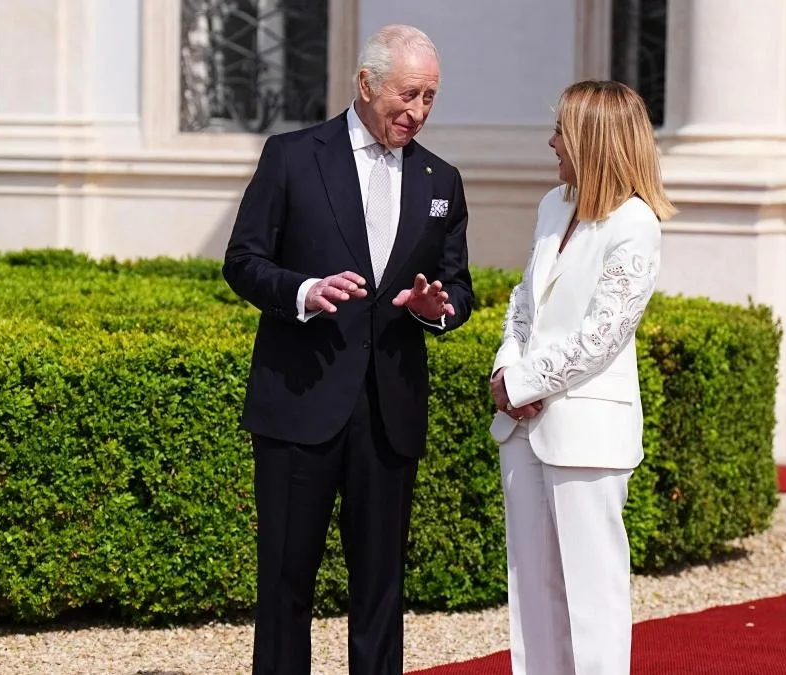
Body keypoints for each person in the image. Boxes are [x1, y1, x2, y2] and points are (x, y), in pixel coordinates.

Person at [222, 24, 475, 675]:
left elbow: (458, 289)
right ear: (366, 84)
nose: (418, 111)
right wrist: (304, 290)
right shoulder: (291, 156)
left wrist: (437, 310)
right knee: (285, 583)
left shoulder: (442, 180)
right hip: (299, 403)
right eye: (407, 94)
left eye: (430, 97)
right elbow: (242, 261)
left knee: (381, 588)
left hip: (390, 416)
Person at [488, 80, 675, 675]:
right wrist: (505, 366)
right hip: (523, 429)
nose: (551, 143)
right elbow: (525, 299)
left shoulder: (636, 224)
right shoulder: (553, 205)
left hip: (588, 431)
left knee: (592, 597)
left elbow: (603, 335)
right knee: (530, 590)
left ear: (593, 141)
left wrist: (522, 386)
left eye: (560, 132)